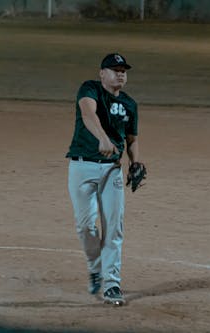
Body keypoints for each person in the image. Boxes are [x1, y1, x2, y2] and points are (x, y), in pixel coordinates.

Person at [66, 53, 142, 306]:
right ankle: (95, 267)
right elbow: (88, 114)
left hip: (112, 170)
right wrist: (102, 137)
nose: (120, 73)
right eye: (114, 69)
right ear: (102, 73)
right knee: (85, 226)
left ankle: (112, 284)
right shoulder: (90, 89)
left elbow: (132, 139)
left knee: (113, 227)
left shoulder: (130, 104)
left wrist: (135, 162)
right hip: (82, 166)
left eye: (123, 70)